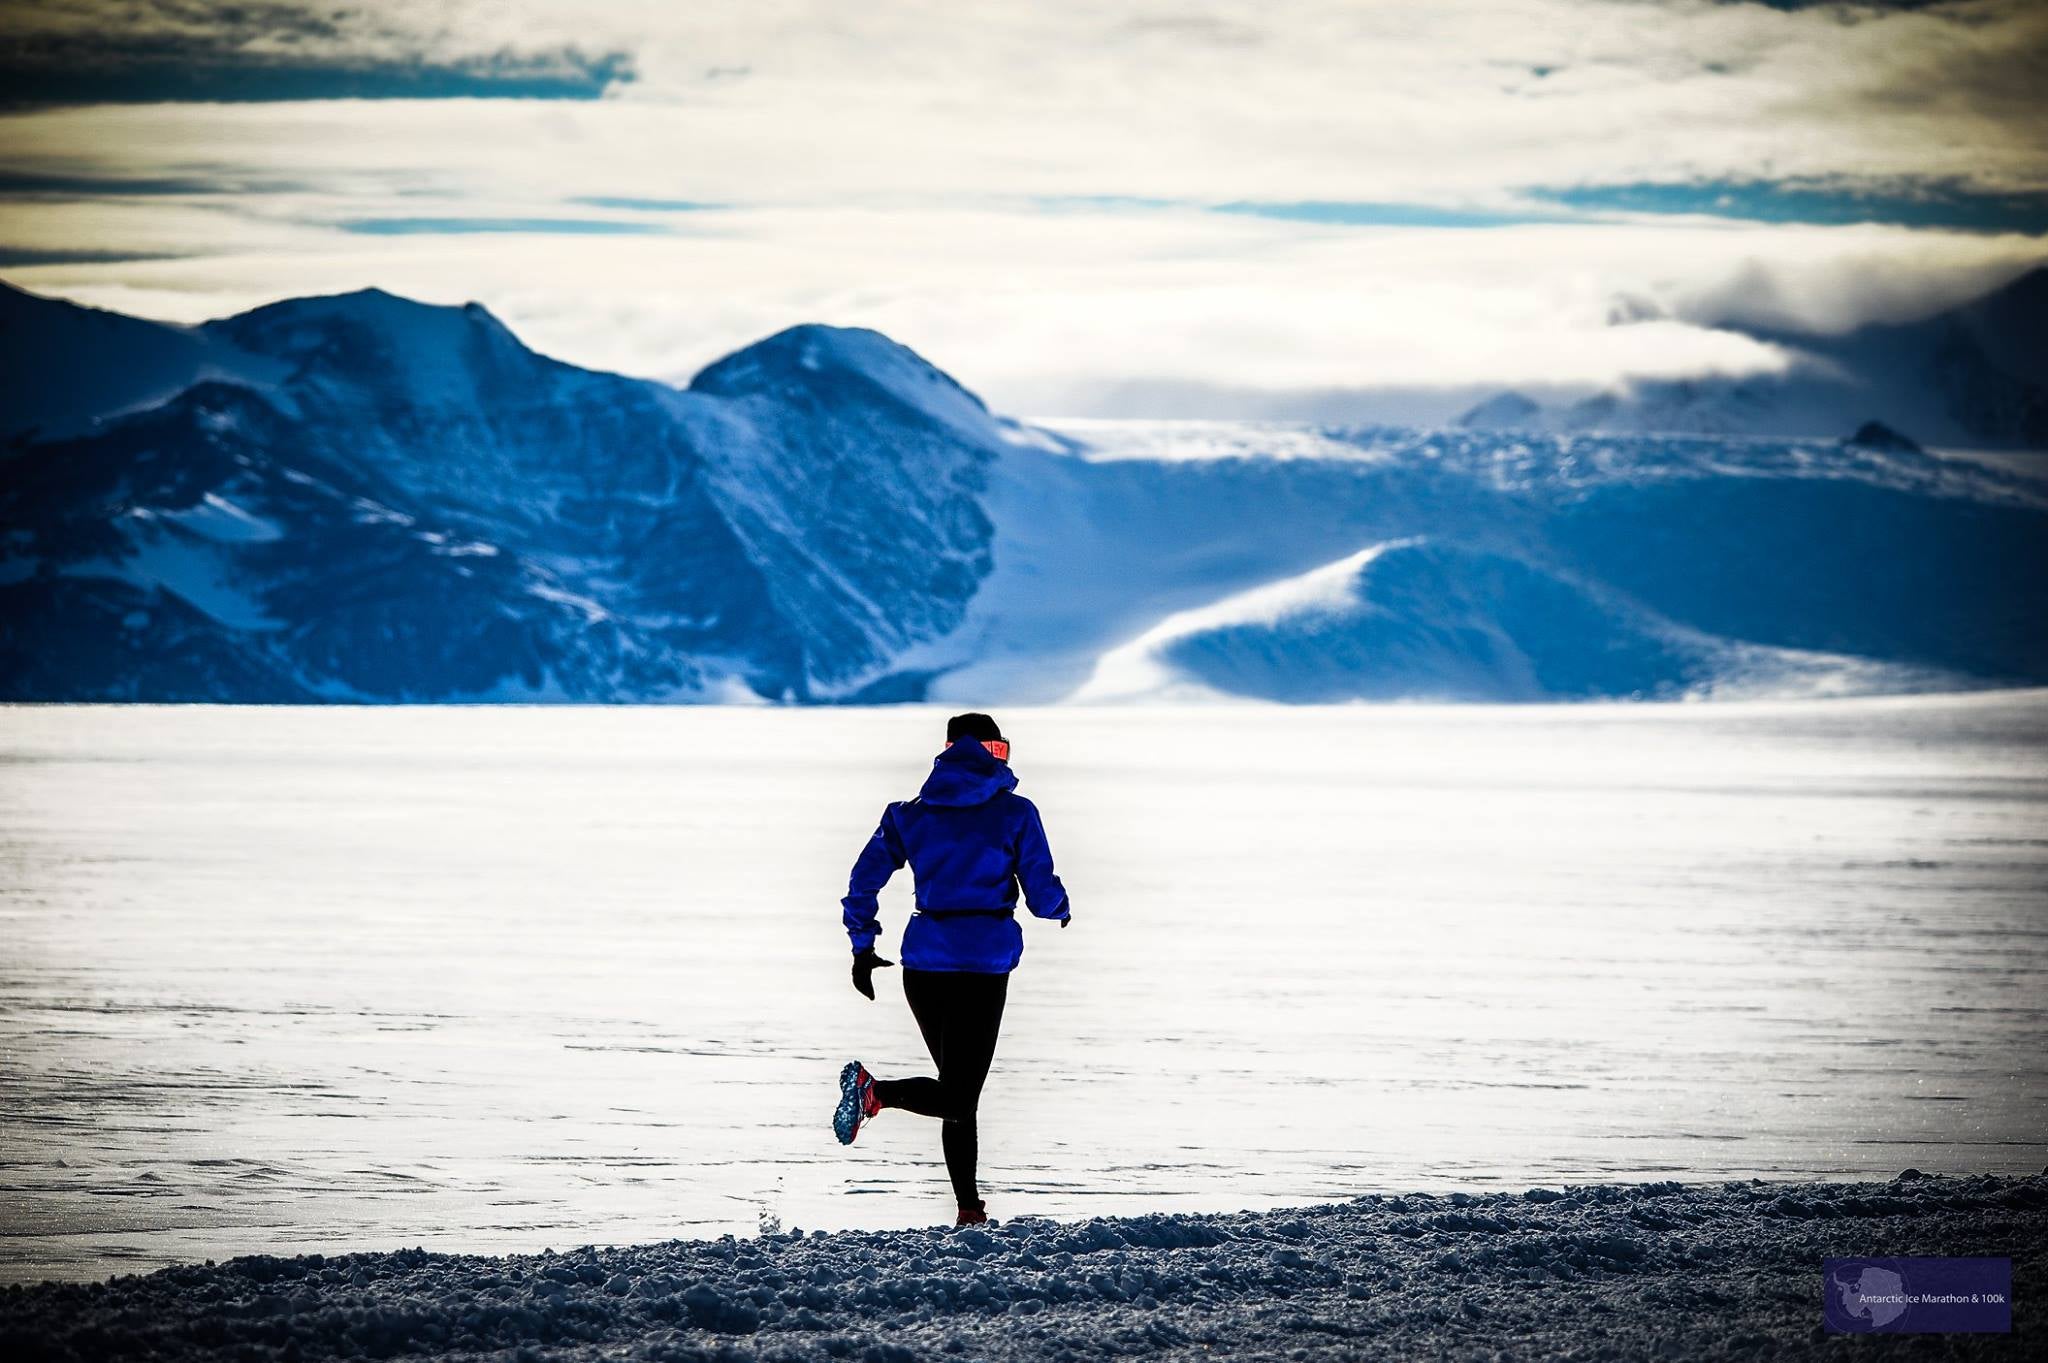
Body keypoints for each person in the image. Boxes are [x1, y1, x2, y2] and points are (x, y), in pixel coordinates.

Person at [831, 712, 1071, 1226]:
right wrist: (1060, 908)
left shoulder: (907, 815)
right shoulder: (1016, 813)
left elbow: (862, 883)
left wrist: (861, 945)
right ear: (992, 751)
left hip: (923, 965)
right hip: (983, 966)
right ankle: (875, 1093)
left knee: (957, 1090)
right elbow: (1041, 891)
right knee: (960, 1093)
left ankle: (968, 1208)